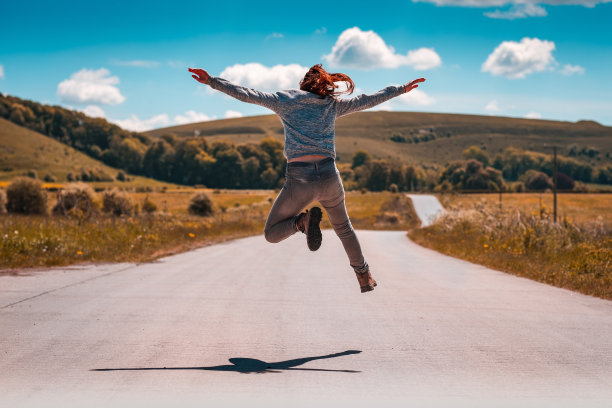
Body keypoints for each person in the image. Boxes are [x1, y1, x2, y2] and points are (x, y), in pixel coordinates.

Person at [189, 64, 425, 293]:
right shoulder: (331, 105)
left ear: (303, 84)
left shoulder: (284, 100)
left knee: (272, 233)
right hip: (329, 176)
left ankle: (300, 223)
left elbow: (248, 94)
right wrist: (401, 88)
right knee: (344, 228)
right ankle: (364, 277)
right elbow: (368, 99)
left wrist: (211, 81)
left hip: (299, 179)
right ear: (323, 86)